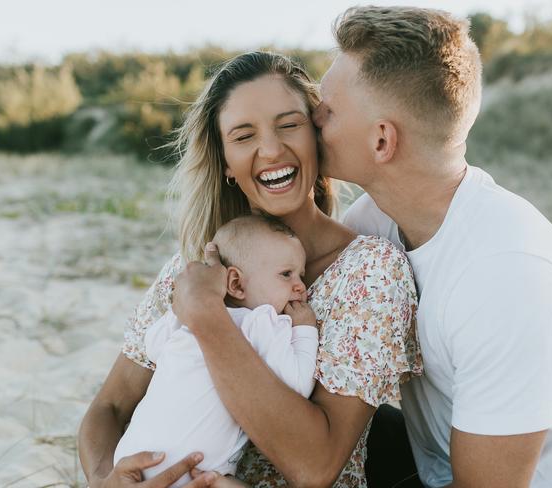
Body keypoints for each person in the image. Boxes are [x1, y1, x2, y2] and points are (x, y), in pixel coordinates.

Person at [312, 6, 552, 488]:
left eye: (328, 109)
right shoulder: (374, 224)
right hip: (441, 464)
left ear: (382, 140)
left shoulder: (507, 277)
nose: (312, 117)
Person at [78, 51, 422, 488]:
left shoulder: (370, 271)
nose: (272, 149)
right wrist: (103, 479)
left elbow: (315, 467)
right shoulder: (193, 268)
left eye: (289, 125)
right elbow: (107, 409)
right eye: (244, 135)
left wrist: (208, 319)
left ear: (316, 135)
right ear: (224, 161)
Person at [113, 215, 320, 487]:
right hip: (198, 473)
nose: (300, 286)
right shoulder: (264, 322)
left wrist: (180, 309)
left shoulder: (188, 319)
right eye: (286, 274)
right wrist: (305, 330)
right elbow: (298, 386)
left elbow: (153, 348)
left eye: (301, 276)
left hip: (133, 463)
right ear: (236, 283)